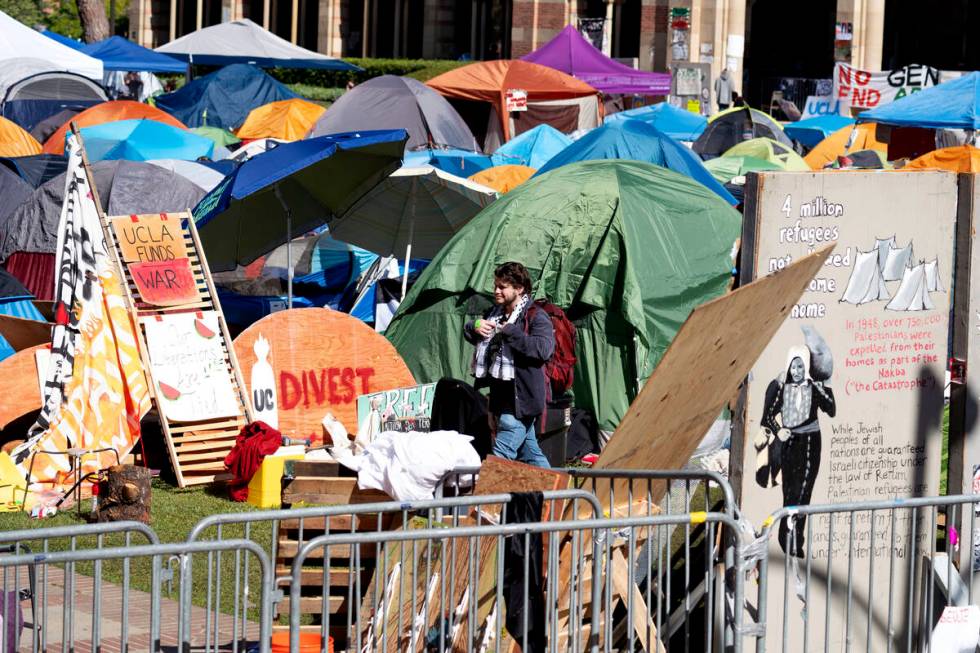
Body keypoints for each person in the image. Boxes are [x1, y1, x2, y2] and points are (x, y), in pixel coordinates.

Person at [464, 262, 555, 468]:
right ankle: (559, 498)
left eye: (502, 287)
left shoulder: (535, 316)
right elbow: (473, 334)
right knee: (531, 454)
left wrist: (511, 332)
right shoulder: (494, 313)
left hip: (522, 402)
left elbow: (542, 349)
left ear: (519, 288)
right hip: (501, 398)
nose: (496, 291)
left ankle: (485, 501)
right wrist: (474, 326)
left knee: (499, 458)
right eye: (496, 285)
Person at [760, 346, 836, 557]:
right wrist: (779, 430)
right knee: (790, 493)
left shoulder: (813, 388)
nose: (797, 370)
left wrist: (825, 386)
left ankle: (797, 541)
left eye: (801, 365)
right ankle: (787, 540)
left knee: (804, 493)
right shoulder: (783, 389)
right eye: (794, 366)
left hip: (811, 442)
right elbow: (767, 417)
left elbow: (831, 409)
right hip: (790, 443)